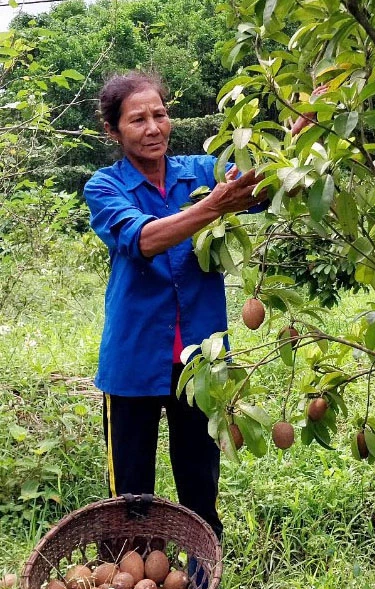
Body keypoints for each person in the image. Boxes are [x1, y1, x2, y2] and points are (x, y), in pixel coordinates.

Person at [84, 71, 264, 539]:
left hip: (201, 364)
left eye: (159, 115)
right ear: (114, 131)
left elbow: (257, 186)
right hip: (134, 360)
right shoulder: (105, 187)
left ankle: (205, 588)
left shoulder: (202, 172)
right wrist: (214, 207)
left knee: (200, 485)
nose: (152, 128)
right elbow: (143, 239)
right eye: (137, 119)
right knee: (129, 496)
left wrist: (301, 138)